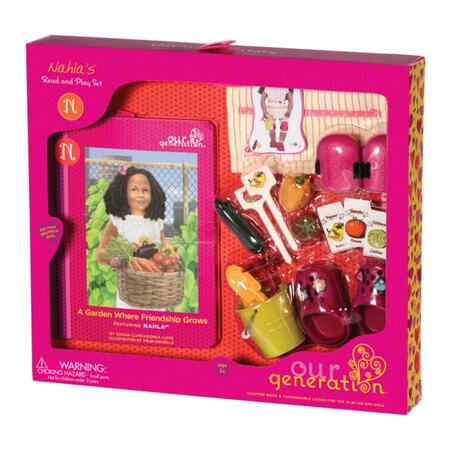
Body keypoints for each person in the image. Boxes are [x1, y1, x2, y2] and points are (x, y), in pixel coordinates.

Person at [97, 165, 166, 309]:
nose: (141, 194)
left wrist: (168, 258)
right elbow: (100, 254)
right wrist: (125, 259)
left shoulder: (156, 221)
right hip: (129, 290)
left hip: (155, 291)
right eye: (134, 189)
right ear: (123, 192)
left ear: (153, 193)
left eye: (145, 190)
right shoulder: (118, 220)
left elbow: (164, 248)